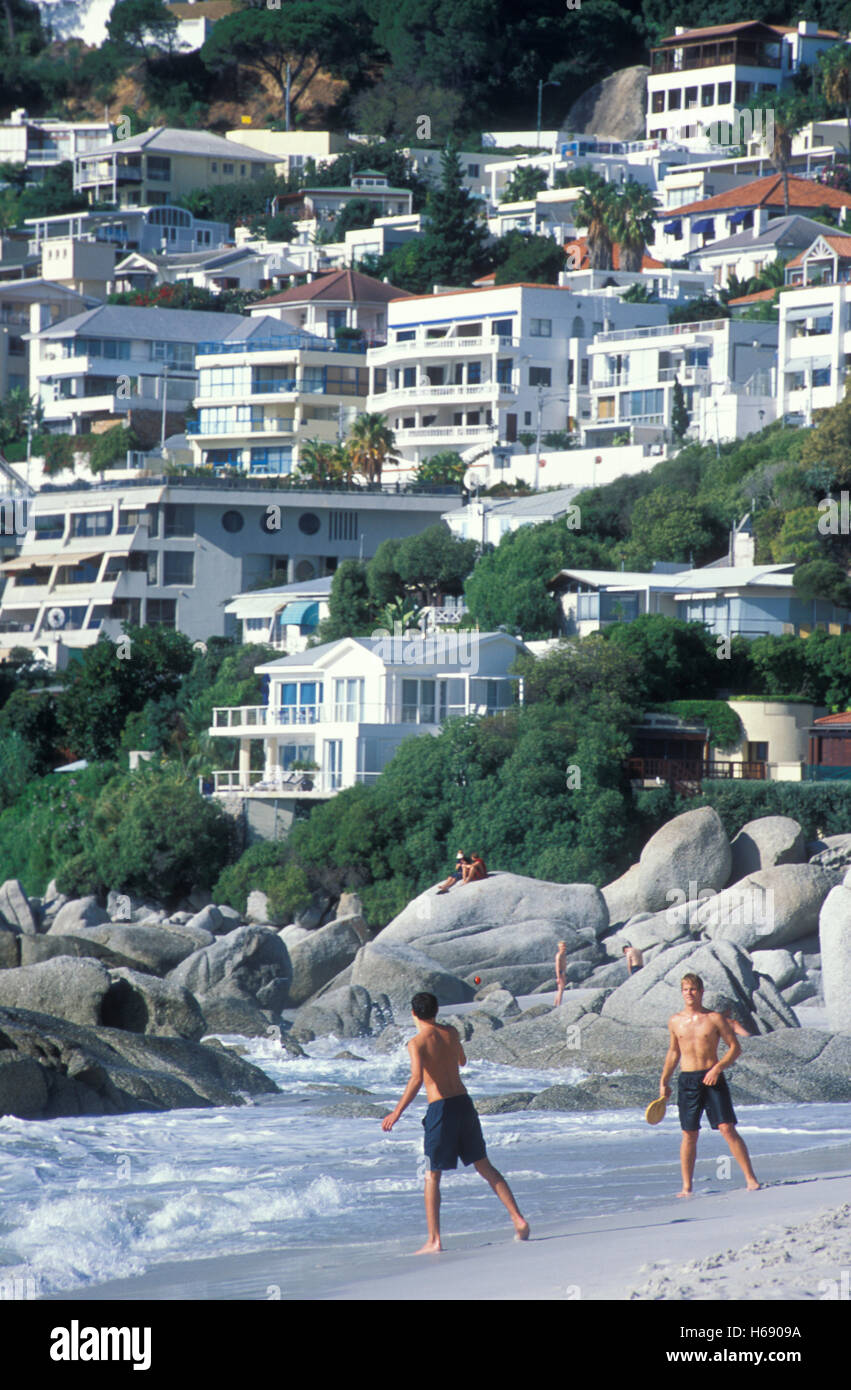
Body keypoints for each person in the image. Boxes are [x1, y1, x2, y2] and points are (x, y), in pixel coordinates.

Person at [381, 991, 530, 1252]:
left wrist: (397, 1112)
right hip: (464, 1104)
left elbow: (416, 1079)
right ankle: (518, 1219)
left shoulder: (416, 1043)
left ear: (414, 1014)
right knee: (485, 1166)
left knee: (431, 1175)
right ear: (436, 1011)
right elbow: (462, 1060)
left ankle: (434, 1240)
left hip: (440, 1110)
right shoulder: (451, 1032)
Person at [659, 973, 760, 1198]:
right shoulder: (675, 1021)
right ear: (681, 992)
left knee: (726, 1128)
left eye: (693, 989)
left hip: (712, 1077)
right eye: (685, 989)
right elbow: (673, 1052)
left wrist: (717, 1068)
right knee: (689, 1133)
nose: (689, 993)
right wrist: (664, 1081)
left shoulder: (714, 1018)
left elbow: (735, 1047)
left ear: (701, 992)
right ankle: (686, 1187)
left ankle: (751, 1178)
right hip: (688, 1080)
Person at [554, 941, 568, 1008]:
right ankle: (558, 1004)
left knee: (560, 989)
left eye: (564, 946)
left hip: (563, 973)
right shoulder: (559, 955)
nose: (564, 947)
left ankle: (555, 1004)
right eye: (562, 946)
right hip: (560, 973)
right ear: (559, 947)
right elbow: (557, 967)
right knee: (561, 990)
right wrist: (559, 977)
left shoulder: (563, 954)